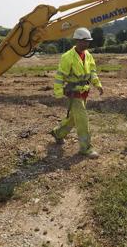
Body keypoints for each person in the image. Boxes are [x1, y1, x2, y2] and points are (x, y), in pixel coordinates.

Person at [50, 27, 104, 158]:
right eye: (84, 41)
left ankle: (58, 133)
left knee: (74, 118)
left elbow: (92, 72)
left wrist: (98, 84)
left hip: (84, 91)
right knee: (83, 120)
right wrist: (57, 93)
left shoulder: (88, 55)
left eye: (88, 41)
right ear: (77, 41)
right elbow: (60, 76)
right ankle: (86, 148)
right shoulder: (67, 57)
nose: (86, 44)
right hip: (73, 94)